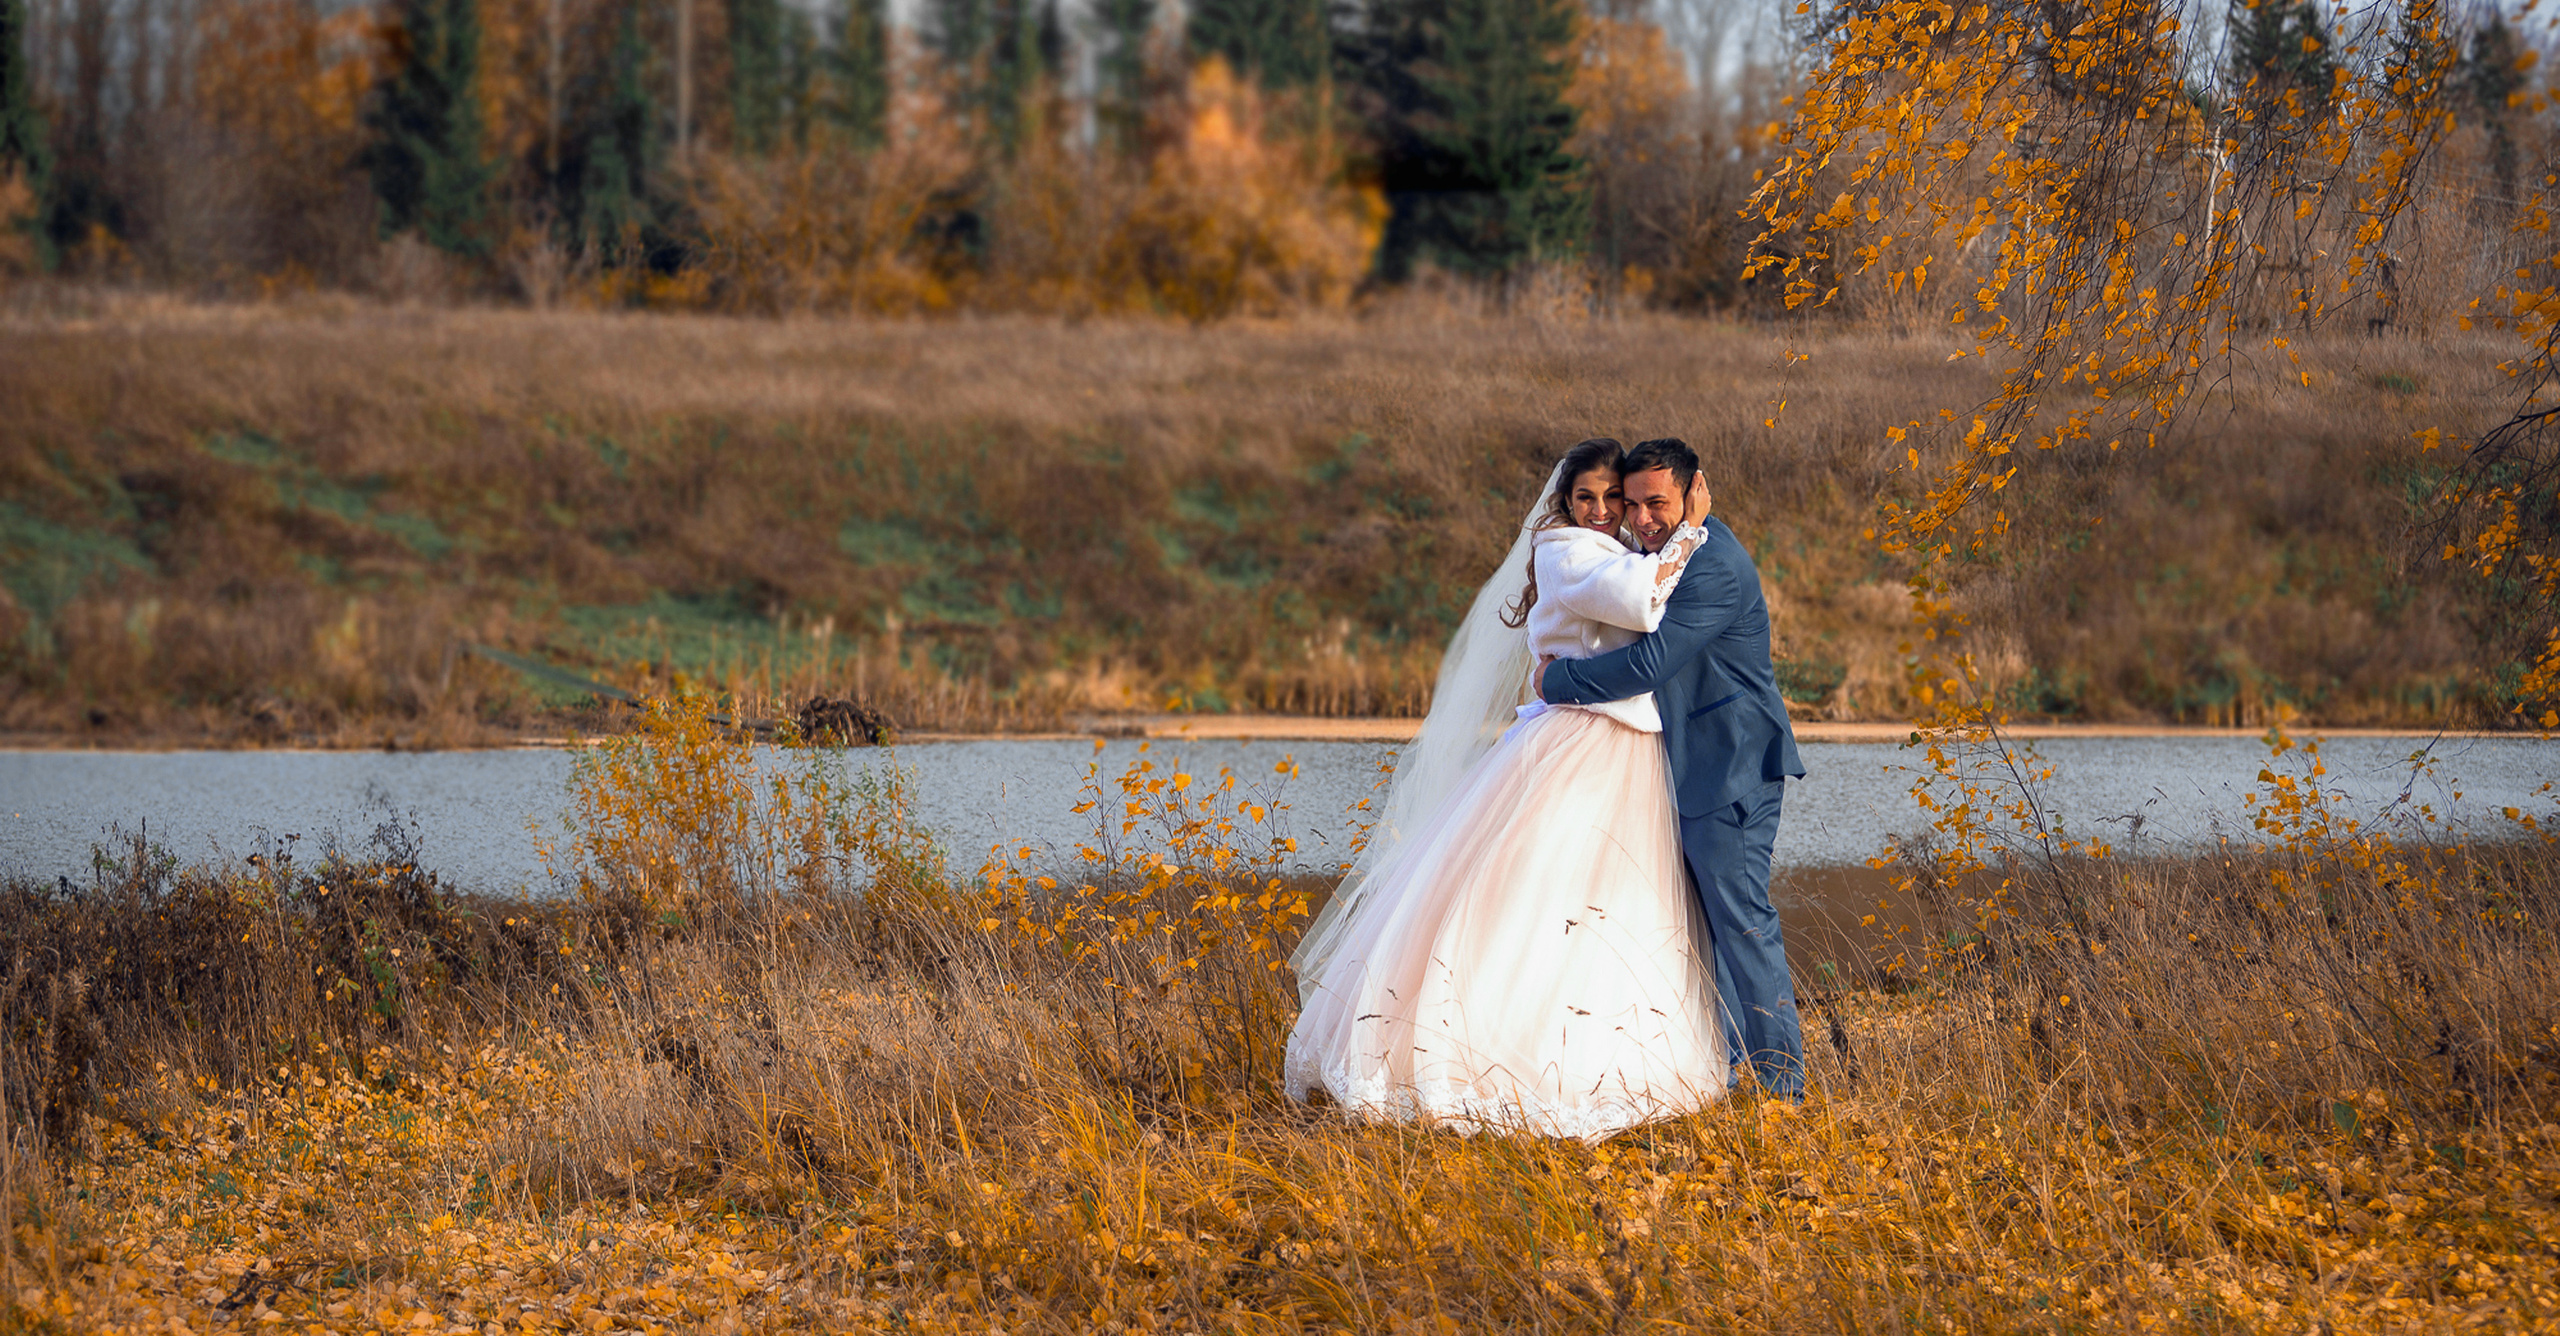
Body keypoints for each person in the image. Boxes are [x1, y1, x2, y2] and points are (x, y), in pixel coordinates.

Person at [1282, 438, 1731, 1140]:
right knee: (1543, 892)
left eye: (1614, 498)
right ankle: (1498, 1058)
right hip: (1582, 740)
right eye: (1587, 496)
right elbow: (1643, 607)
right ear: (1564, 501)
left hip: (1624, 742)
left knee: (1617, 898)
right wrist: (1695, 528)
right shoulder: (1566, 549)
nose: (1603, 509)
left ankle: (1614, 1052)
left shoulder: (1616, 548)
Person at [1537, 437, 1808, 1101]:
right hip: (1690, 766)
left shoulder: (1709, 563)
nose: (1642, 518)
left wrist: (1556, 681)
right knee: (1700, 929)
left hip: (1730, 765)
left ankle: (1783, 1090)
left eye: (1656, 503)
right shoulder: (1653, 557)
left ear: (1693, 494)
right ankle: (1724, 1071)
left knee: (1742, 925)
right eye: (1632, 505)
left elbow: (1649, 665)